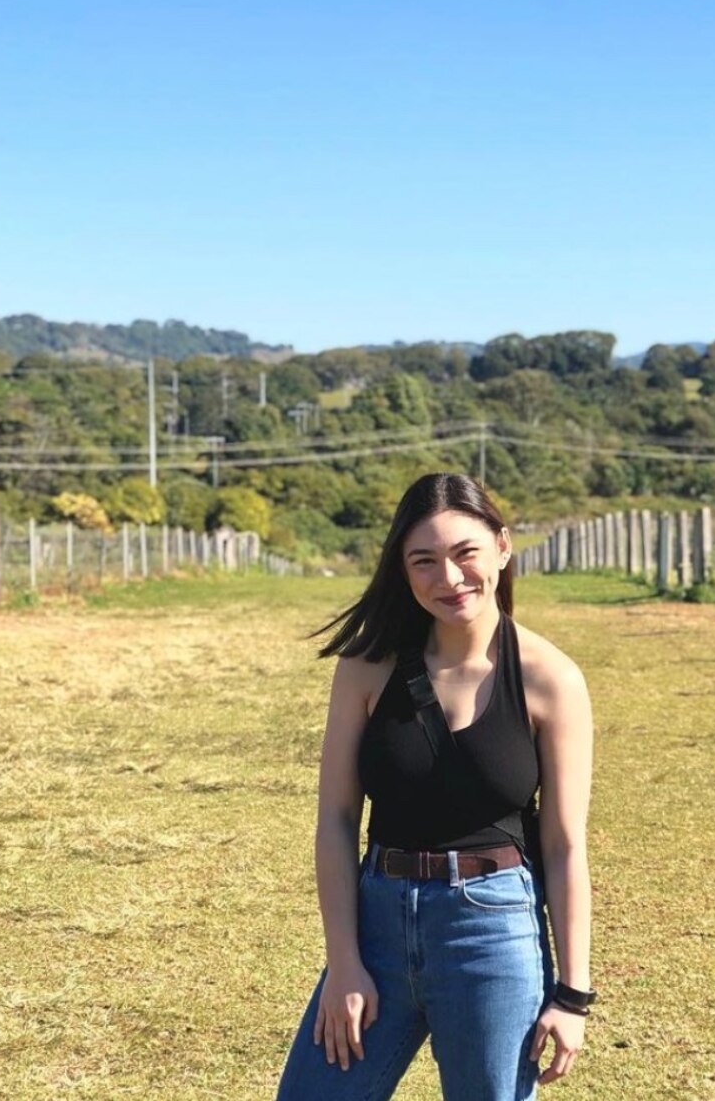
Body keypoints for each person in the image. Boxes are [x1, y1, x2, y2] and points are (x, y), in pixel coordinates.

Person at [275, 472, 594, 1101]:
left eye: (464, 553)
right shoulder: (366, 668)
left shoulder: (550, 679)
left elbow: (564, 846)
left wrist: (573, 994)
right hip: (377, 924)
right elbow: (336, 819)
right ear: (402, 569)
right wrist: (344, 962)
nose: (448, 578)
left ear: (502, 547)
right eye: (424, 560)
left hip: (492, 932)